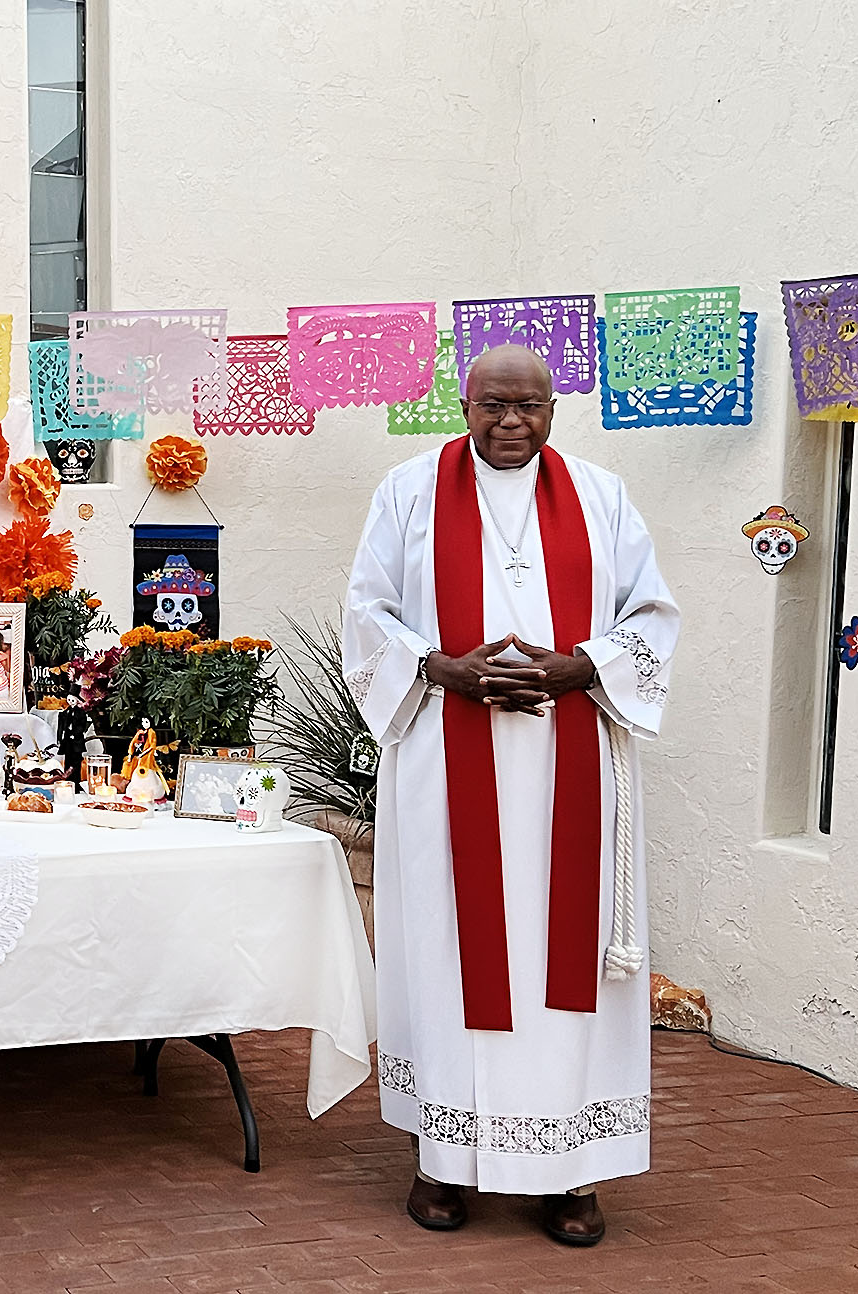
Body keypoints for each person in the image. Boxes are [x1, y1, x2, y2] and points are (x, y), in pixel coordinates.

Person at [343, 345, 679, 1247]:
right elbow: (367, 611)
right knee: (449, 951)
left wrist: (584, 667)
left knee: (560, 964)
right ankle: (444, 1163)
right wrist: (441, 668)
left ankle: (572, 1175)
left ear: (553, 407)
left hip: (574, 759)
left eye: (529, 407)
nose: (511, 424)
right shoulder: (409, 491)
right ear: (465, 403)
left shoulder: (603, 498)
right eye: (494, 405)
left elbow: (651, 616)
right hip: (446, 767)